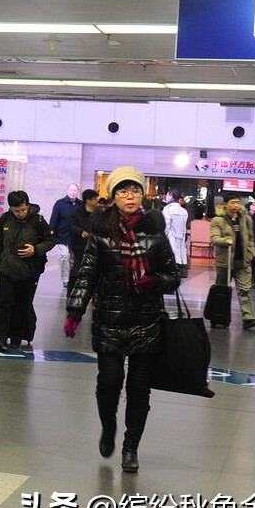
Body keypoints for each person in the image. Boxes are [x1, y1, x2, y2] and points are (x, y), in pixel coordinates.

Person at [64, 166, 180, 474]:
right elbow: (87, 272)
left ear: (143, 194)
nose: (130, 197)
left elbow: (173, 276)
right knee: (109, 383)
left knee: (139, 389)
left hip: (147, 321)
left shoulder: (155, 231)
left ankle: (131, 448)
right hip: (109, 320)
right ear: (113, 196)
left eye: (135, 191)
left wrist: (153, 281)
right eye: (123, 191)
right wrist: (75, 310)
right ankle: (108, 427)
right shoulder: (102, 232)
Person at [0, 190, 54, 351]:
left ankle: (16, 338)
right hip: (6, 269)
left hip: (29, 271)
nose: (20, 213)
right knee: (3, 303)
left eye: (23, 210)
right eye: (16, 210)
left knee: (22, 304)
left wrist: (36, 249)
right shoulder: (5, 219)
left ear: (27, 205)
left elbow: (51, 239)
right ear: (10, 208)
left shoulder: (38, 220)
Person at [210, 195, 255, 329]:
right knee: (221, 290)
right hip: (225, 262)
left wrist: (251, 253)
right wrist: (224, 241)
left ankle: (248, 318)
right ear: (225, 204)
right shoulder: (218, 220)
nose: (235, 206)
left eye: (237, 203)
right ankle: (218, 317)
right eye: (232, 203)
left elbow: (250, 238)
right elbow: (214, 238)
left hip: (243, 261)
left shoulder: (245, 219)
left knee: (245, 290)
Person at [48, 184, 79, 289]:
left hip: (76, 237)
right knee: (64, 256)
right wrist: (50, 235)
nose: (72, 192)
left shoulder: (81, 205)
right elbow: (53, 220)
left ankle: (72, 279)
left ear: (78, 192)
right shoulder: (59, 204)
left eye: (75, 190)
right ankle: (65, 279)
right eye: (71, 190)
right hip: (62, 236)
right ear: (67, 191)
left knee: (73, 260)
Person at [69, 188, 99, 282]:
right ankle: (71, 290)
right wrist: (81, 232)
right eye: (94, 199)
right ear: (88, 200)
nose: (97, 200)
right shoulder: (77, 211)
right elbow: (72, 225)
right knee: (77, 268)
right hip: (79, 245)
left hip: (94, 245)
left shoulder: (98, 212)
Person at [161, 189, 188, 277]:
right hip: (181, 239)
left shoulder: (167, 210)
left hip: (171, 239)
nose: (166, 197)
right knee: (180, 258)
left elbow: (166, 227)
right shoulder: (184, 211)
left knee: (172, 260)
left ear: (171, 197)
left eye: (167, 195)